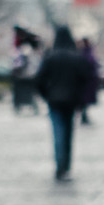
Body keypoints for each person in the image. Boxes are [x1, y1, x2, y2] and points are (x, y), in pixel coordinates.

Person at [33, 26, 89, 181]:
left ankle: (59, 167)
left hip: (55, 101)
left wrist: (47, 95)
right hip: (71, 101)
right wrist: (79, 98)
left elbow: (38, 80)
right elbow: (85, 79)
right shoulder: (76, 57)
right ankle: (66, 167)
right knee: (69, 134)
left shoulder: (51, 57)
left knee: (58, 133)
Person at [78, 35, 101, 126]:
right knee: (84, 101)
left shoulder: (85, 53)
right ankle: (84, 117)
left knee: (84, 101)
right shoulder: (86, 53)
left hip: (87, 81)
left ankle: (84, 116)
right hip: (86, 81)